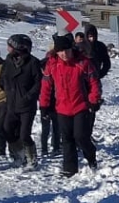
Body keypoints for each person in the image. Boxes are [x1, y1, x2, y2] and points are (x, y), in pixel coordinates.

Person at [40, 33, 101, 177]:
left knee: (80, 136)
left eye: (66, 50)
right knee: (67, 139)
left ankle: (91, 156)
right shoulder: (52, 64)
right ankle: (70, 169)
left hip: (81, 106)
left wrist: (94, 99)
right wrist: (44, 105)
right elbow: (46, 86)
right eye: (60, 51)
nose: (64, 54)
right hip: (62, 108)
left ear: (71, 49)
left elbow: (94, 82)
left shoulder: (82, 63)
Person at [0, 34, 43, 166]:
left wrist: (28, 97)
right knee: (6, 130)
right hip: (11, 103)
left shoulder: (33, 62)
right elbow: (2, 77)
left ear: (17, 48)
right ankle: (18, 155)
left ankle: (32, 158)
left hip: (26, 106)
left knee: (24, 134)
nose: (7, 49)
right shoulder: (8, 61)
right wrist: (6, 89)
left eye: (10, 46)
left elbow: (38, 84)